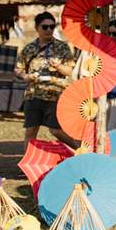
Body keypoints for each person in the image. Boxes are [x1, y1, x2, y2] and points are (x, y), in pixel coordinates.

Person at [16, 11, 78, 147]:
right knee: (31, 131)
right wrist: (25, 76)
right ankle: (26, 165)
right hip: (33, 95)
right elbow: (18, 69)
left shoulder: (62, 47)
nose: (49, 30)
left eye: (52, 26)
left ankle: (79, 149)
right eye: (45, 27)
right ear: (37, 28)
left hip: (56, 95)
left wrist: (58, 67)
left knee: (56, 130)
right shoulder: (29, 48)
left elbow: (69, 71)